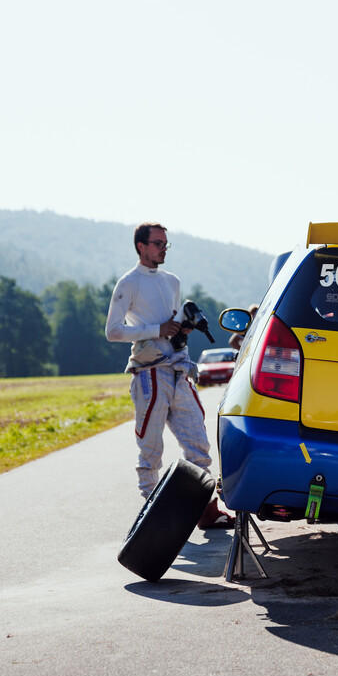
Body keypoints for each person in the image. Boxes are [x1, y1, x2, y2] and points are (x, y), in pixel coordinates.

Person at [105, 223, 234, 528]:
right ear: (141, 246)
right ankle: (154, 518)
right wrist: (157, 329)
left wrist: (181, 330)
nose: (164, 249)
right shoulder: (128, 282)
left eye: (166, 244)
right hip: (148, 373)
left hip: (178, 369)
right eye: (158, 243)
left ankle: (205, 510)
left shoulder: (172, 281)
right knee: (150, 449)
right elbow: (113, 331)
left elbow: (171, 326)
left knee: (198, 445)